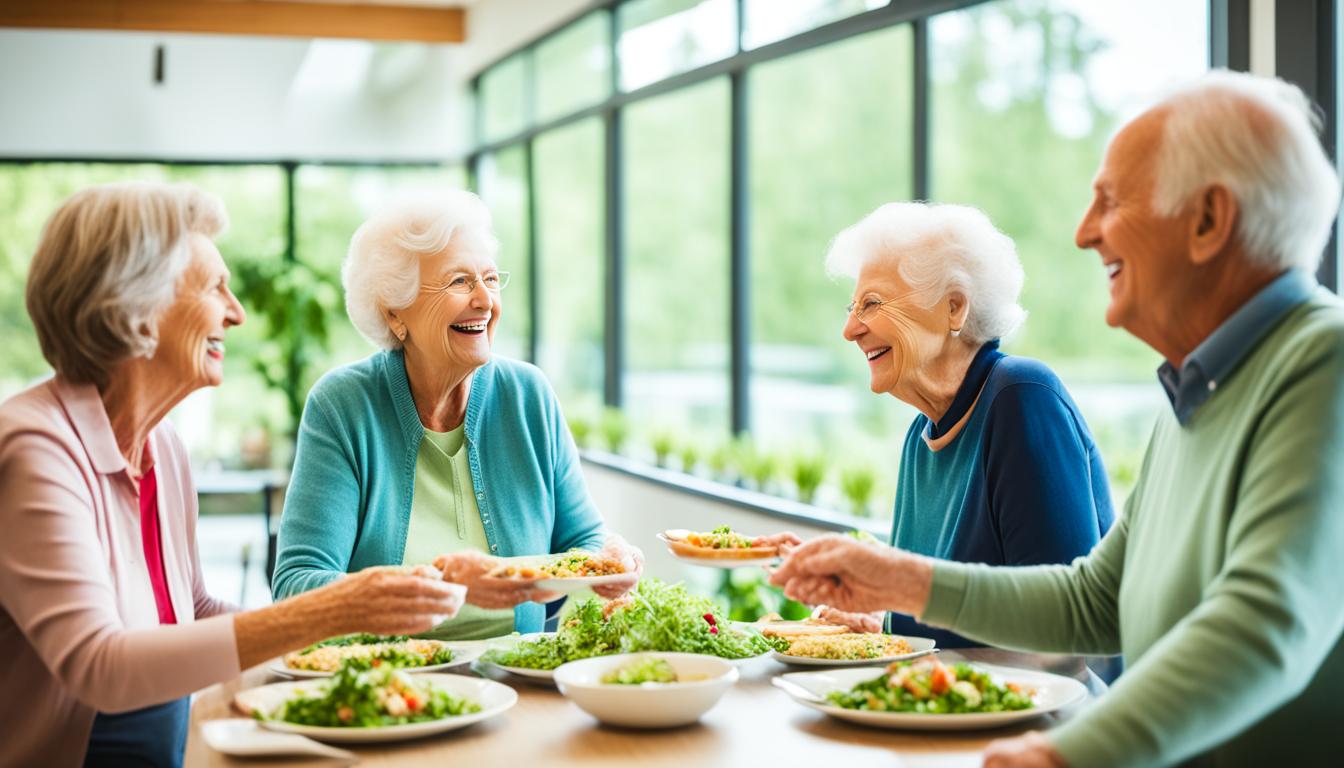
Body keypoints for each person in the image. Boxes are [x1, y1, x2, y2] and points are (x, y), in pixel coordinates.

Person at [771, 70, 1344, 767]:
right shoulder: (1199, 386)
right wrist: (900, 582)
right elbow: (1094, 599)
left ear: (1207, 220)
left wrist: (1067, 754)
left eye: (1110, 201)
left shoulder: (1324, 362)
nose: (1082, 233)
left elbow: (1265, 622)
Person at [0, 182, 466, 767]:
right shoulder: (34, 447)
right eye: (213, 287)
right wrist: (335, 608)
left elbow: (191, 608)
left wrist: (352, 647)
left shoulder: (161, 446)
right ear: (134, 304)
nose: (235, 311)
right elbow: (100, 666)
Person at [272, 190, 640, 638]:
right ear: (395, 313)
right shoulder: (343, 406)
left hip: (515, 676)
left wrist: (609, 558)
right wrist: (445, 584)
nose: (485, 301)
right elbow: (295, 589)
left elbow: (582, 543)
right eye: (459, 282)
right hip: (390, 684)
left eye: (490, 278)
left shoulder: (528, 396)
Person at [817, 202, 1113, 656]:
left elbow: (1063, 632)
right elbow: (948, 614)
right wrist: (880, 622)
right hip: (955, 713)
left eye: (871, 303)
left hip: (1045, 716)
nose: (850, 328)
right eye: (852, 307)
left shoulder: (1021, 399)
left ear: (954, 307)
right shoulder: (922, 437)